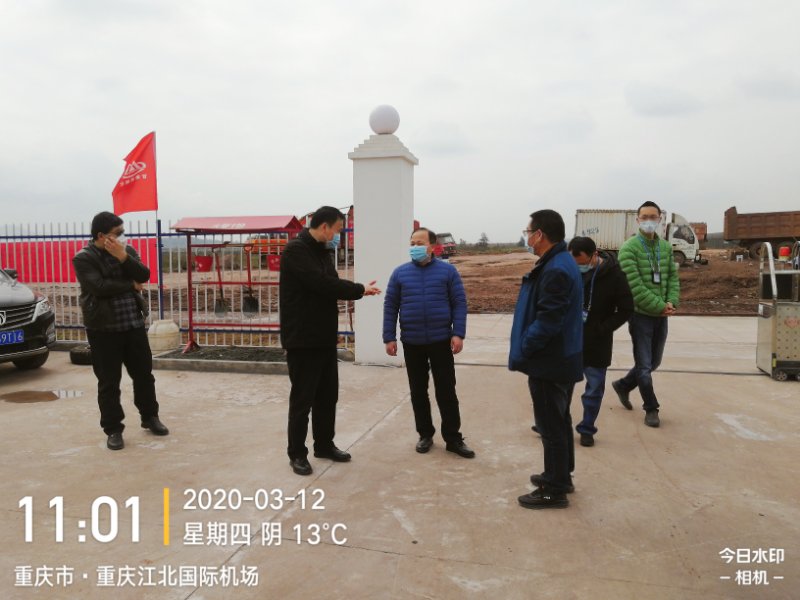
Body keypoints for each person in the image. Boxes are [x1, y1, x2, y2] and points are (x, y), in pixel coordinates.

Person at [280, 206, 381, 476]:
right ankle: (297, 454)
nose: (338, 235)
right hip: (302, 339)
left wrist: (356, 290)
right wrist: (359, 289)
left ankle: (324, 445)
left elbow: (330, 284)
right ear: (324, 226)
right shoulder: (296, 251)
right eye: (337, 230)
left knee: (327, 396)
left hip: (324, 337)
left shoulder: (322, 252)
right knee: (303, 400)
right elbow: (321, 284)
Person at [73, 211, 168, 450]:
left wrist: (123, 257)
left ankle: (150, 417)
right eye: (118, 233)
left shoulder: (127, 251)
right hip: (103, 329)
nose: (122, 236)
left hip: (133, 325)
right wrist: (130, 285)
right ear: (101, 236)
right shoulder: (84, 258)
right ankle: (113, 429)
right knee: (109, 382)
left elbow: (144, 275)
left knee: (144, 375)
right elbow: (98, 287)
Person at [509, 210, 583, 509]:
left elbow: (548, 321)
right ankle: (561, 475)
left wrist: (526, 346)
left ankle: (555, 489)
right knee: (559, 421)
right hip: (560, 357)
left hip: (550, 361)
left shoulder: (555, 269)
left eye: (528, 232)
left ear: (539, 234)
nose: (527, 237)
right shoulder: (559, 261)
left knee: (550, 426)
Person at [383, 228, 475, 458]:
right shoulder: (400, 273)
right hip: (412, 342)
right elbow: (390, 305)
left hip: (441, 340)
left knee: (446, 391)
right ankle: (425, 434)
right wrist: (389, 337)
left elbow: (459, 303)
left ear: (432, 246)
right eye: (412, 243)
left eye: (420, 242)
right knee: (418, 391)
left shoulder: (448, 271)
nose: (415, 246)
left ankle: (453, 438)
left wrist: (458, 333)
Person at [611, 201, 680, 428]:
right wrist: (659, 306)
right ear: (638, 220)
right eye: (645, 217)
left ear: (660, 219)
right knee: (644, 365)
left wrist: (671, 302)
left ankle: (623, 385)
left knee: (654, 362)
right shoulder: (629, 248)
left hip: (661, 314)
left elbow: (672, 279)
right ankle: (651, 408)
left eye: (653, 217)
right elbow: (634, 286)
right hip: (640, 315)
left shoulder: (666, 248)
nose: (649, 221)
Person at [567, 236, 633, 447]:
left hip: (597, 341)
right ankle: (552, 424)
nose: (578, 268)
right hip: (570, 339)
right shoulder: (569, 270)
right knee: (560, 386)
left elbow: (626, 309)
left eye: (582, 263)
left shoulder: (615, 275)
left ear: (594, 255)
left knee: (594, 389)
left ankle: (587, 428)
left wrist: (603, 328)